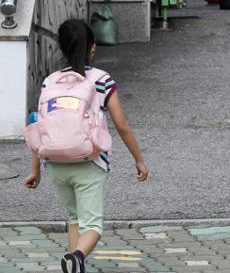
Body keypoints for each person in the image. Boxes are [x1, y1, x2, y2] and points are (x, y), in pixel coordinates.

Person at [23, 19, 148, 273]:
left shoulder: (50, 82)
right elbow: (122, 124)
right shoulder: (101, 80)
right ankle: (78, 256)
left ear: (60, 49)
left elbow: (41, 126)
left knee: (74, 219)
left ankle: (74, 266)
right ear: (92, 47)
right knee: (92, 226)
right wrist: (138, 159)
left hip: (54, 164)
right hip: (88, 162)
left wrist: (35, 169)